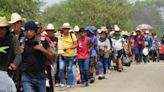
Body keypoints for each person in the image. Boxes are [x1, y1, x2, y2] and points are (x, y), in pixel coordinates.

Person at [20, 21, 53, 92]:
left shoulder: (43, 41)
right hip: (26, 76)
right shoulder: (22, 41)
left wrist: (42, 50)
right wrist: (20, 51)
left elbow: (51, 56)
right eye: (27, 30)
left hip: (40, 76)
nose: (29, 32)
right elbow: (17, 56)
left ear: (35, 31)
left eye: (31, 30)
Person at [0, 16, 21, 92]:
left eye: (3, 28)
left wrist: (15, 64)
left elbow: (18, 54)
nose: (1, 31)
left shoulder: (13, 39)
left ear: (6, 28)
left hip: (8, 72)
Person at [59, 23, 77, 88]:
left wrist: (67, 48)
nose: (65, 30)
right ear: (62, 29)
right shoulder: (60, 36)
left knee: (69, 69)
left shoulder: (72, 36)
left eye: (67, 29)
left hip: (70, 55)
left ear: (69, 29)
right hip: (62, 55)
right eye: (64, 29)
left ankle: (70, 83)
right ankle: (62, 82)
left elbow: (75, 45)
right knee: (61, 68)